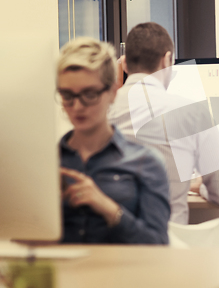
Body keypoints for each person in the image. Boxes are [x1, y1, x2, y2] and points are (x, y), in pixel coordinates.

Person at [108, 22, 219, 225]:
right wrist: (197, 186)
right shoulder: (192, 112)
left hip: (108, 244)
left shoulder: (100, 112)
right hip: (169, 246)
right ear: (167, 60)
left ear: (124, 64)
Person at [57, 37, 170, 244]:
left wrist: (109, 209)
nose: (77, 106)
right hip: (60, 274)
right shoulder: (49, 163)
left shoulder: (145, 162)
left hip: (123, 274)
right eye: (67, 95)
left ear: (112, 91)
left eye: (89, 94)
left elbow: (158, 245)